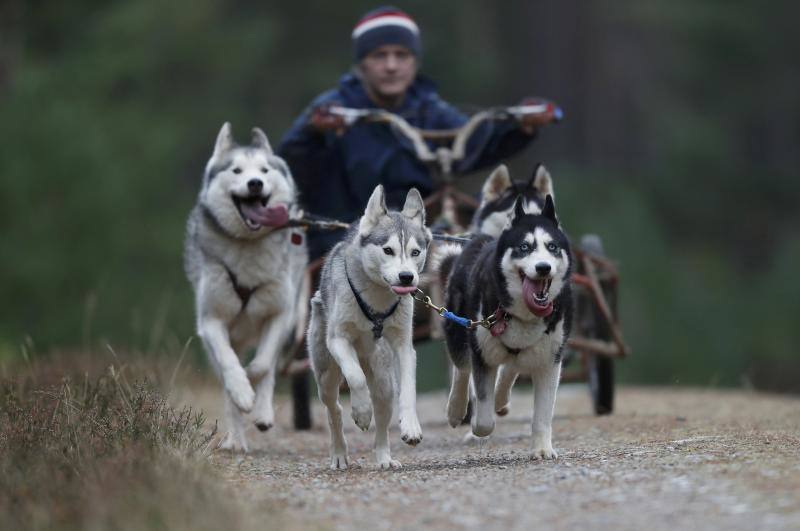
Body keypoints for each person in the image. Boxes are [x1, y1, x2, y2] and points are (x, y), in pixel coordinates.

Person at [278, 6, 543, 262]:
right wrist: (312, 131)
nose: (391, 66)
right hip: (347, 234)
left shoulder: (429, 108)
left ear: (415, 62)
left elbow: (475, 142)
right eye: (379, 55)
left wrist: (521, 127)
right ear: (362, 63)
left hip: (421, 231)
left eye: (401, 55)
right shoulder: (334, 109)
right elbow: (287, 162)